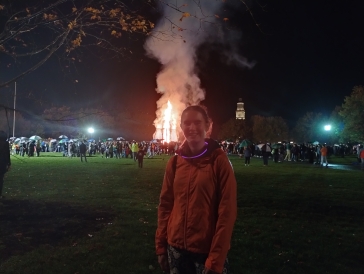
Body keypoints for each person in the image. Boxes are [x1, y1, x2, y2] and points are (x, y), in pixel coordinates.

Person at [156, 105, 237, 274]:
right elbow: (165, 206)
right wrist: (161, 246)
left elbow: (227, 213)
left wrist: (215, 260)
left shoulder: (219, 162)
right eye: (187, 123)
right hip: (176, 249)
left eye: (197, 122)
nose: (192, 128)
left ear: (208, 125)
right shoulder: (175, 163)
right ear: (181, 127)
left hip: (206, 252)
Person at [0, 131, 11, 199]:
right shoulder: (5, 143)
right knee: (1, 179)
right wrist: (9, 163)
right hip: (2, 163)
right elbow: (7, 154)